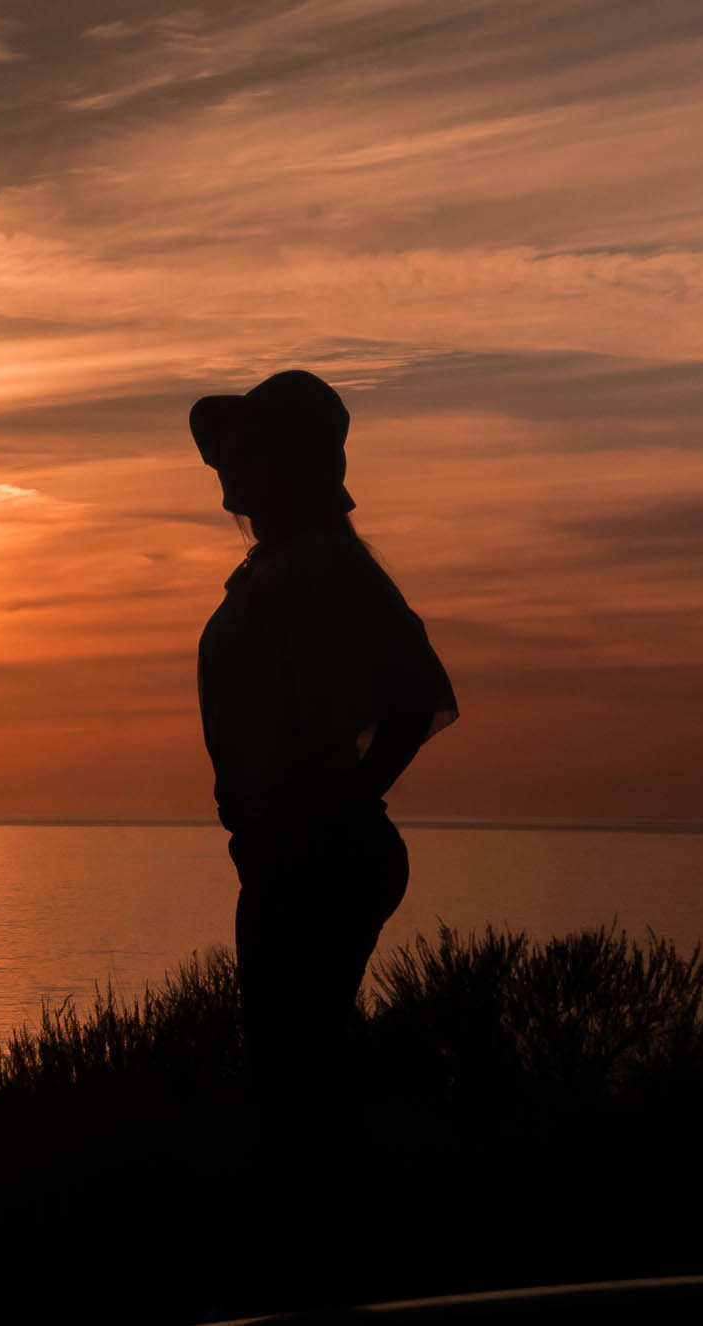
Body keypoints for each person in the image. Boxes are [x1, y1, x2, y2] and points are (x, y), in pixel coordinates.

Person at [190, 369, 458, 1162]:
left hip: (317, 860)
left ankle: (324, 1255)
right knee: (293, 1070)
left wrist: (338, 805)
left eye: (248, 448)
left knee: (295, 1081)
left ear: (287, 463)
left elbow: (413, 698)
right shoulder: (285, 566)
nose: (228, 465)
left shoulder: (327, 570)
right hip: (286, 856)